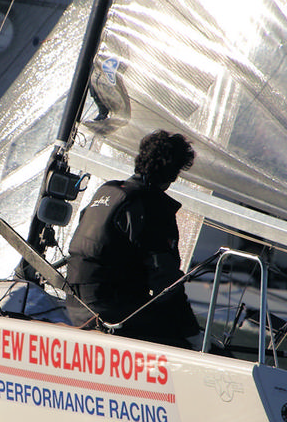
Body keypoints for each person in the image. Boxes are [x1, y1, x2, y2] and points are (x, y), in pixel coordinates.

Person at [65, 130, 201, 348]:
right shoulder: (150, 206)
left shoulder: (107, 191)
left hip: (76, 304)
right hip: (108, 309)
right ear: (173, 174)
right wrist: (192, 333)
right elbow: (165, 281)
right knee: (181, 340)